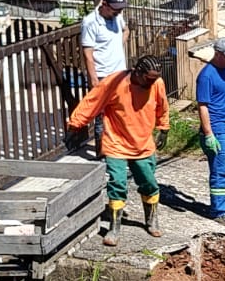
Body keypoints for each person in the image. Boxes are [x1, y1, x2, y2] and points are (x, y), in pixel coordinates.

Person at [67, 55, 169, 247]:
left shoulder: (157, 83)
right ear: (137, 72)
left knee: (149, 182)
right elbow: (92, 102)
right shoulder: (115, 83)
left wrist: (164, 128)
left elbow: (162, 106)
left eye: (154, 79)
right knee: (117, 183)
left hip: (143, 143)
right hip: (116, 143)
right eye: (148, 79)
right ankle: (114, 227)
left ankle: (152, 219)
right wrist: (75, 125)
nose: (151, 83)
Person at [196, 37, 225, 222]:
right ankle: (218, 211)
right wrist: (208, 134)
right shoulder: (207, 75)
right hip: (218, 131)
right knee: (221, 171)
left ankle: (223, 205)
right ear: (217, 54)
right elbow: (203, 105)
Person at [81, 0, 129, 87]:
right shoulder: (90, 22)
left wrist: (117, 46)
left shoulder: (117, 17)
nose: (119, 12)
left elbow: (126, 30)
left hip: (120, 72)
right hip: (103, 75)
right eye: (115, 9)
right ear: (104, 4)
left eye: (120, 9)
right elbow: (87, 54)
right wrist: (94, 79)